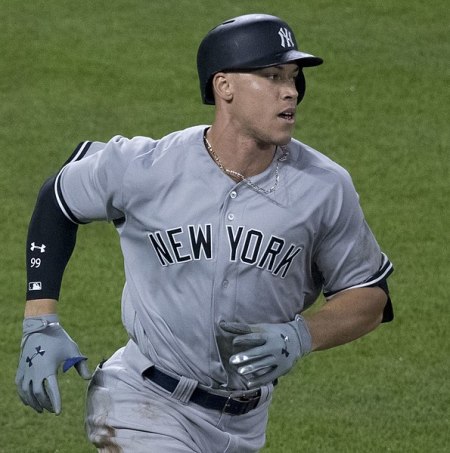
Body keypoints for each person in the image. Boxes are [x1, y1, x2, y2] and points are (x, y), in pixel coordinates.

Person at [16, 13, 394, 453]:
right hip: (141, 403)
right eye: (272, 76)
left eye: (292, 77)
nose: (290, 90)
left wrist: (301, 335)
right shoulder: (148, 167)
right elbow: (59, 197)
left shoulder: (324, 187)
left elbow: (369, 295)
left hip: (246, 421)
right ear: (224, 86)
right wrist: (40, 322)